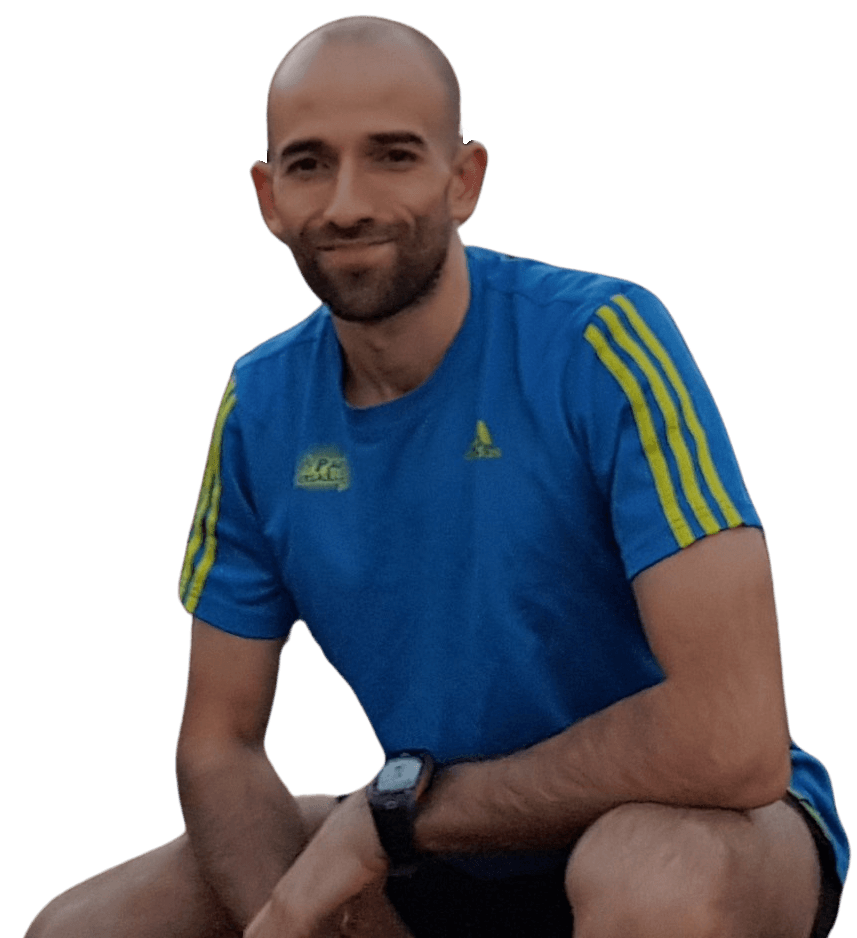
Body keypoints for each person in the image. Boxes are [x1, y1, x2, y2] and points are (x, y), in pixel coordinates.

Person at [25, 14, 849, 938]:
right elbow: (220, 746)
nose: (347, 203)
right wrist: (295, 913)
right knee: (85, 927)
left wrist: (393, 819)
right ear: (267, 197)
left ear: (464, 181)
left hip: (704, 828)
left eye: (392, 156)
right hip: (440, 845)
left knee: (645, 878)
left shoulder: (600, 342)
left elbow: (733, 740)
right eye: (308, 164)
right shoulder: (258, 407)